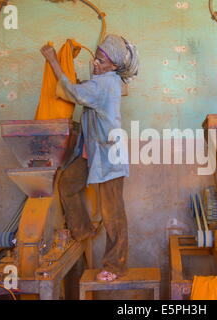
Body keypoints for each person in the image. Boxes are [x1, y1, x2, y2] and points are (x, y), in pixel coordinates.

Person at [40, 34, 139, 282]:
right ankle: (82, 231)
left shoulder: (104, 84)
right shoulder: (104, 81)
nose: (95, 63)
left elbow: (71, 92)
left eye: (101, 61)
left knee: (112, 213)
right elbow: (84, 91)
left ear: (113, 66)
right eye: (95, 57)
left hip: (108, 154)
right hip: (92, 151)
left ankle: (116, 265)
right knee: (68, 185)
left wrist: (54, 61)